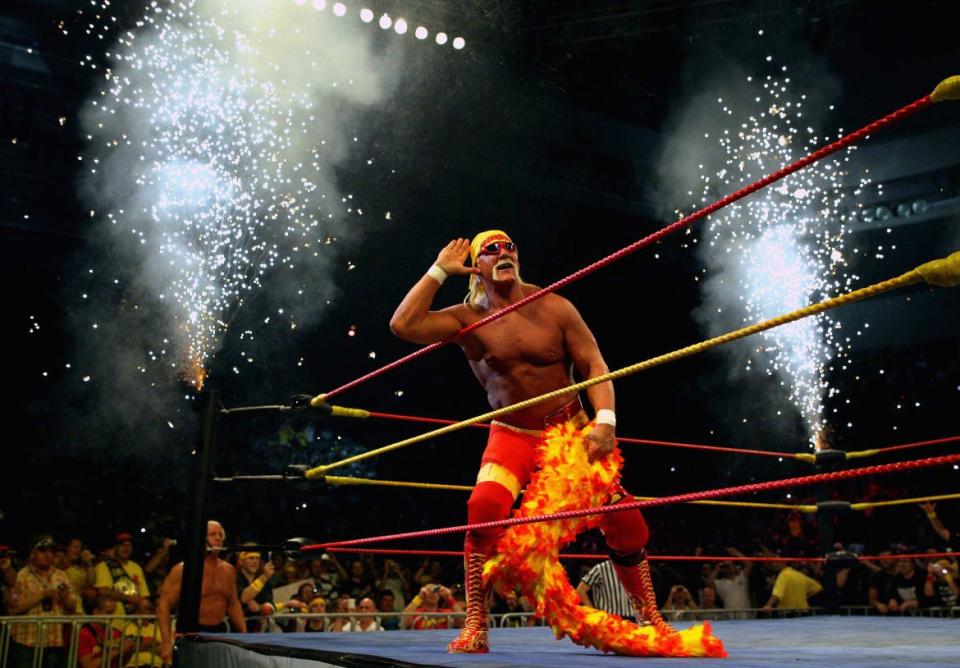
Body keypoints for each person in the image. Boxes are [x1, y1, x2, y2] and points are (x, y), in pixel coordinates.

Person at [391, 231, 650, 653]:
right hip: (511, 433)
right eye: (490, 249)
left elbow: (592, 361)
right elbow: (403, 325)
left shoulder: (554, 306)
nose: (503, 252)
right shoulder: (466, 320)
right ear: (476, 264)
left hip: (569, 429)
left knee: (628, 521)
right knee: (484, 508)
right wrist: (439, 269)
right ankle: (476, 622)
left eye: (508, 245)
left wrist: (605, 420)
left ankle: (649, 615)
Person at [156, 521, 246, 664]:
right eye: (212, 534)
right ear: (201, 538)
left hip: (219, 634)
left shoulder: (228, 570)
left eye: (220, 535)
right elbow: (164, 606)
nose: (217, 538)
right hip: (190, 634)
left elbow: (233, 604)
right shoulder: (183, 570)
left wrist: (244, 636)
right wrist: (166, 642)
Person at [7, 534, 78, 668]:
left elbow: (72, 605)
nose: (48, 555)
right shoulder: (21, 576)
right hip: (26, 642)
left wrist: (65, 597)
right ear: (32, 553)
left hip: (54, 641)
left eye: (51, 551)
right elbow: (13, 609)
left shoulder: (61, 575)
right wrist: (42, 595)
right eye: (43, 551)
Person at [94, 532, 152, 616]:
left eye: (129, 545)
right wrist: (128, 598)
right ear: (115, 547)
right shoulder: (104, 566)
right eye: (122, 545)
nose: (126, 548)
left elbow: (144, 595)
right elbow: (103, 591)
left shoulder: (136, 567)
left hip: (134, 621)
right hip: (113, 620)